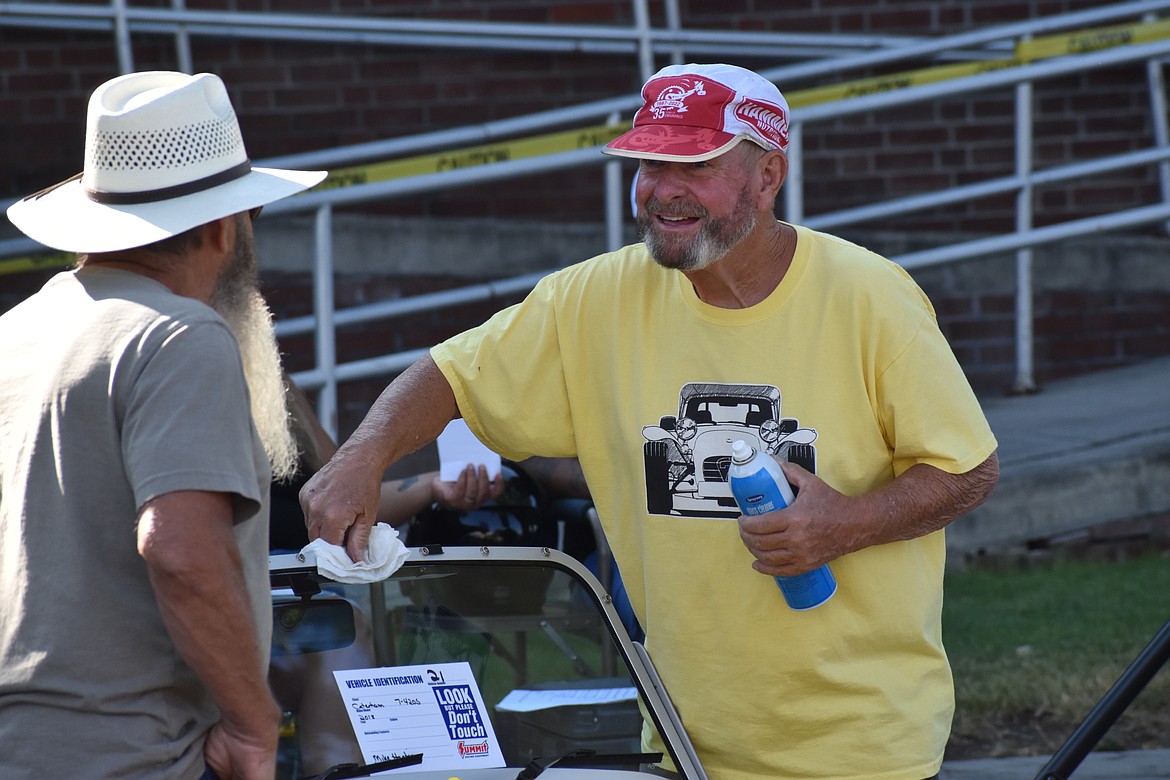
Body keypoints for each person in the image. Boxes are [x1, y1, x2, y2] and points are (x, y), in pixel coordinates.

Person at [301, 62, 1000, 780]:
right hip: (678, 742)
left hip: (861, 748)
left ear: (768, 176)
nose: (662, 189)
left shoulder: (870, 298)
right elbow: (450, 374)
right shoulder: (593, 300)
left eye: (693, 164)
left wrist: (846, 523)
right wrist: (363, 456)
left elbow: (969, 470)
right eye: (646, 163)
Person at [0, 71, 325, 780]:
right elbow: (179, 550)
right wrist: (253, 723)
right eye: (250, 218)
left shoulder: (15, 333)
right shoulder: (181, 336)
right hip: (129, 755)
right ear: (219, 226)